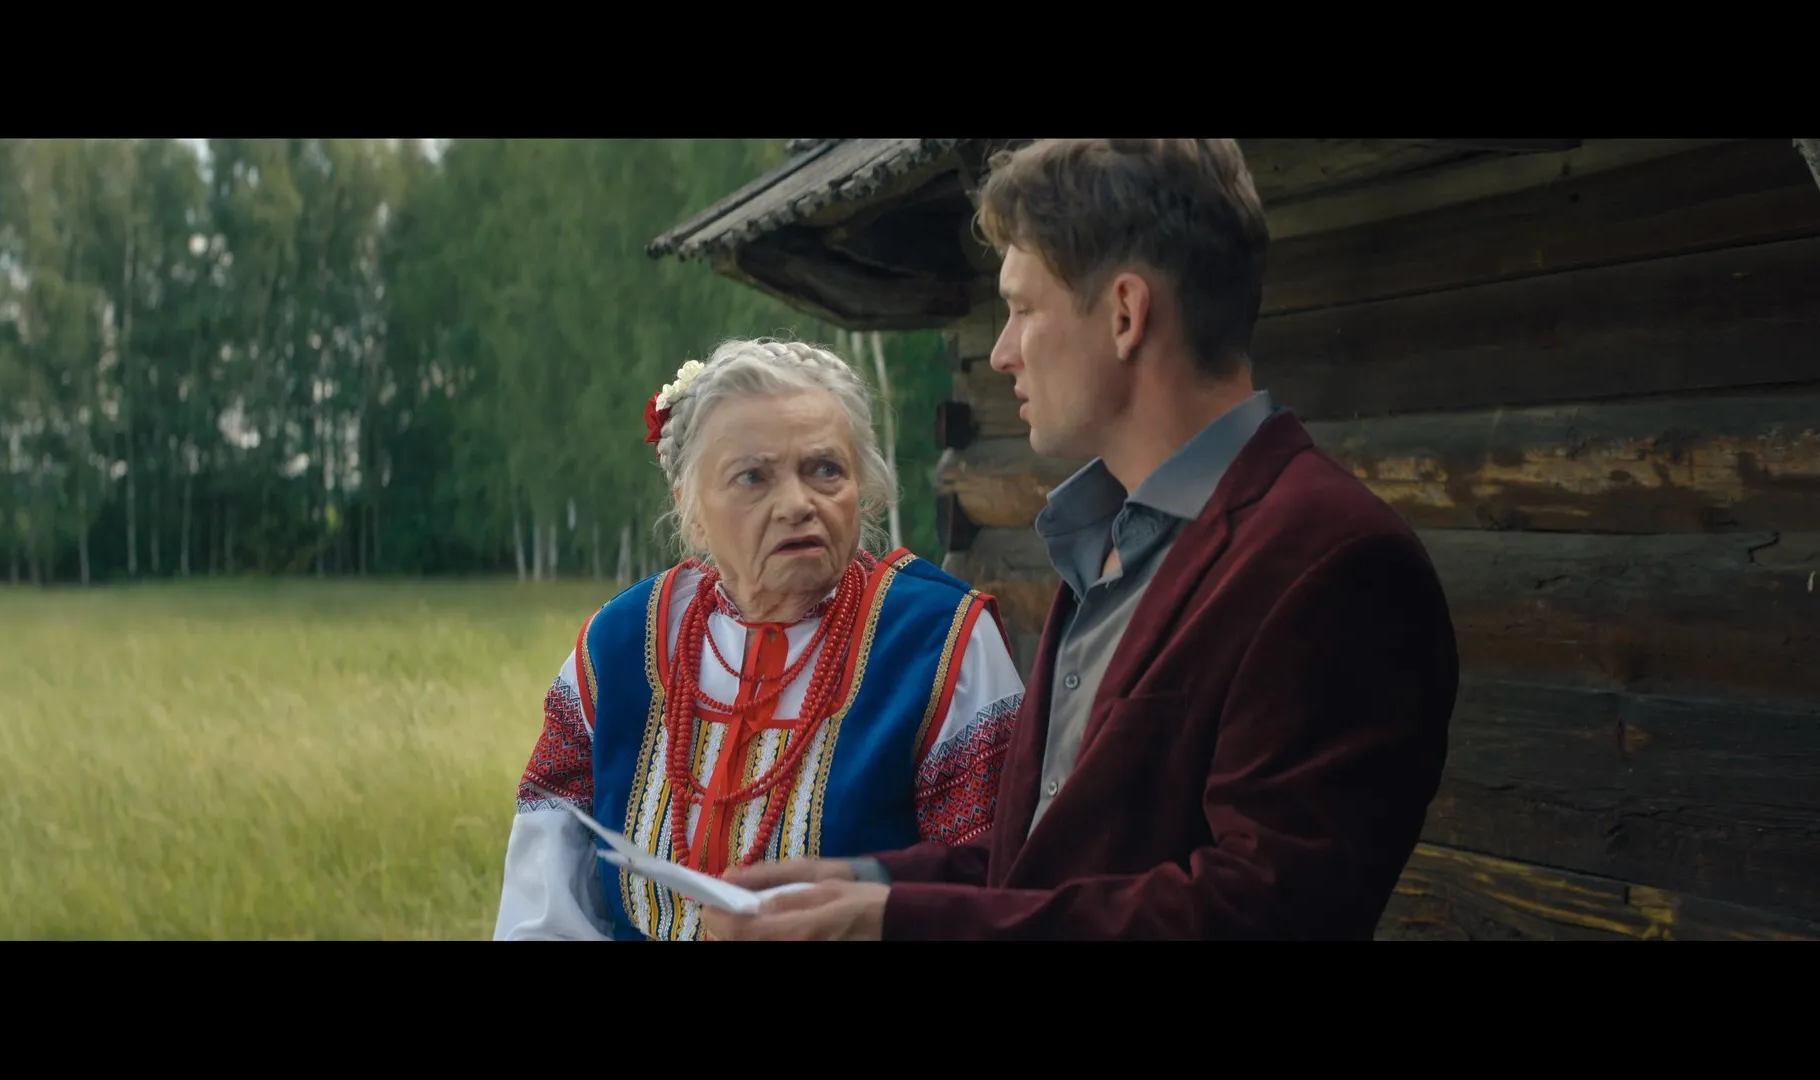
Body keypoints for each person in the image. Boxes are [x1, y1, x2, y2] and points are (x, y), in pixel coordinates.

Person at [700, 138, 1460, 941]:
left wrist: (895, 923)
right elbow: (1046, 869)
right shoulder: (1110, 539)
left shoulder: (1332, 562)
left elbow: (1258, 911)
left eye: (1024, 310)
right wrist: (865, 882)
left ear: (1126, 315)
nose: (1001, 353)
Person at [491, 336, 1027, 940]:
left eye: (826, 470)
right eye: (752, 477)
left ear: (864, 488)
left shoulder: (939, 644)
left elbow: (989, 891)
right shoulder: (618, 648)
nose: (797, 504)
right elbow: (545, 900)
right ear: (692, 509)